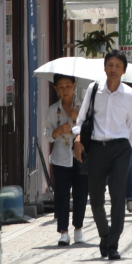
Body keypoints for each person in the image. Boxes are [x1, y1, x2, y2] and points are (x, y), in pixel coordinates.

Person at [72, 51, 132, 260]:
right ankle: (104, 235)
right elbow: (81, 120)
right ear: (104, 68)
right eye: (110, 65)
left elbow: (131, 127)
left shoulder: (130, 95)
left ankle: (113, 244)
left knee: (118, 197)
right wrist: (78, 139)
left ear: (124, 70)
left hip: (120, 148)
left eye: (118, 66)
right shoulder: (94, 90)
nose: (113, 69)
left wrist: (127, 150)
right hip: (97, 148)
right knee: (96, 199)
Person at [40, 75, 89, 245]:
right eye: (60, 87)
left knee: (81, 192)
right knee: (61, 195)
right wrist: (59, 130)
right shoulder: (53, 110)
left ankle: (78, 229)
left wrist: (77, 117)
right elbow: (48, 134)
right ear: (55, 89)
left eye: (68, 86)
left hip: (80, 156)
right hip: (61, 157)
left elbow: (92, 127)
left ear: (75, 86)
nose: (65, 90)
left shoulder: (83, 106)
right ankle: (63, 231)